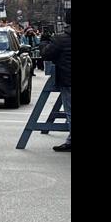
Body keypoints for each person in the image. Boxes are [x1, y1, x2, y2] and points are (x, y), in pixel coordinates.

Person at [41, 12, 71, 152]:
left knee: (70, 112)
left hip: (68, 80)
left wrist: (44, 42)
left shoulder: (60, 39)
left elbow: (46, 54)